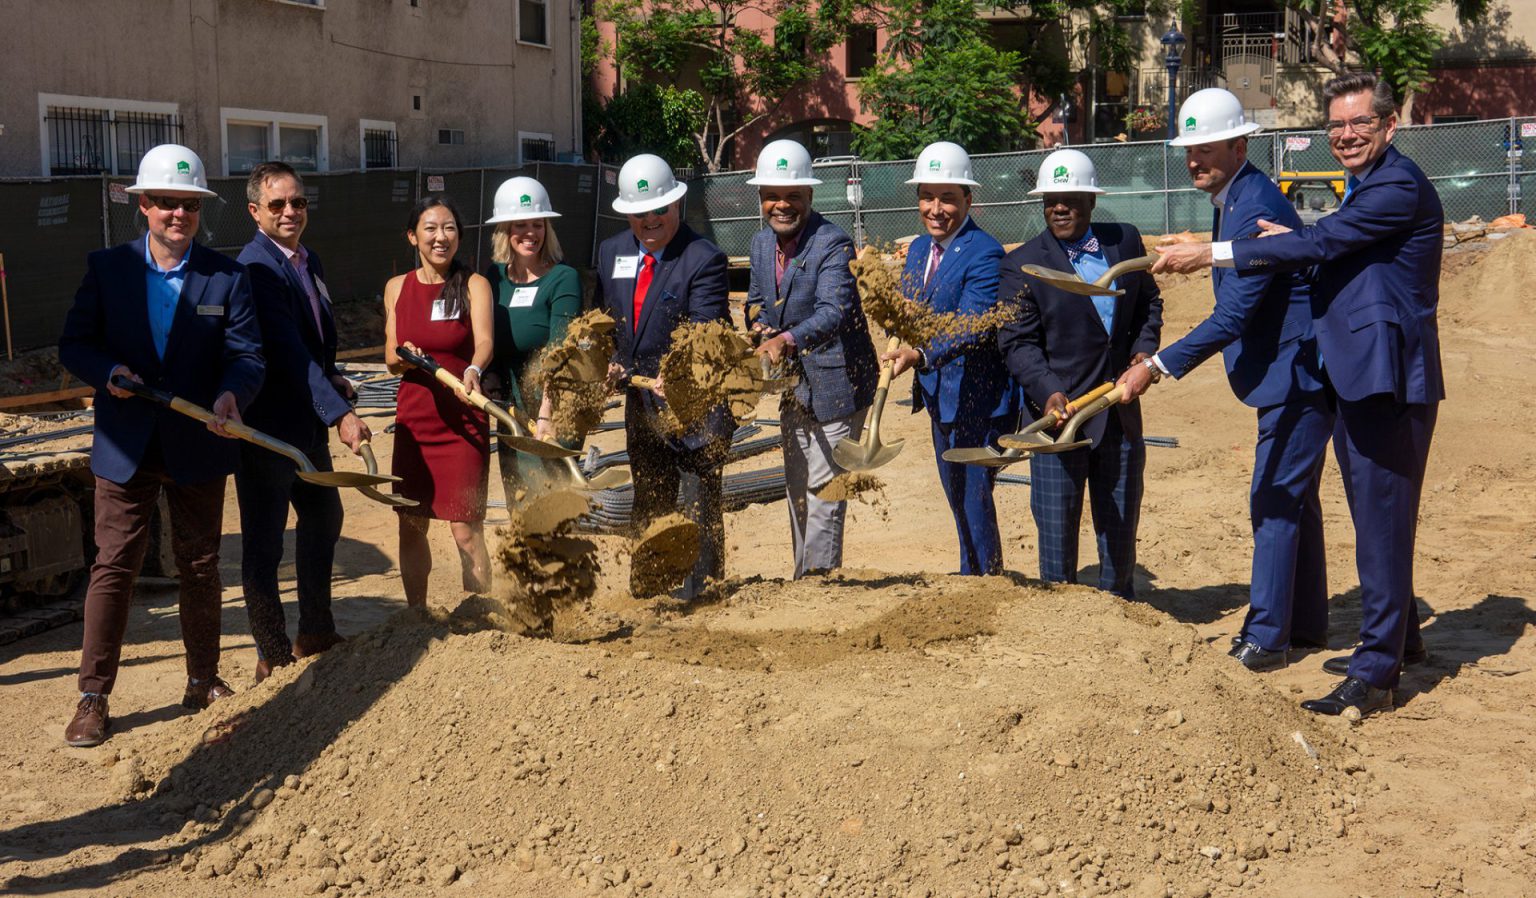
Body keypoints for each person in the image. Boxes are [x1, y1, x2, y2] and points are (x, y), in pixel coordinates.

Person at [1154, 73, 1443, 718]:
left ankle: (1374, 675)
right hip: (1355, 372)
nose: (1345, 136)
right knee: (1379, 521)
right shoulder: (1365, 185)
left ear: (1389, 126)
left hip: (1386, 375)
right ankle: (1402, 643)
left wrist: (1216, 253)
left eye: (1359, 124)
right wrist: (1290, 245)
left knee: (1380, 524)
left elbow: (1327, 242)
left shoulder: (1396, 184)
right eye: (1336, 125)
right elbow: (1326, 249)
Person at [1115, 89, 1332, 672]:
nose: (1194, 161)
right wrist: (1200, 247)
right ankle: (1306, 621)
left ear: (1239, 145)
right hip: (1290, 373)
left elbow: (1234, 316)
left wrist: (1154, 367)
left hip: (1298, 376)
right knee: (1296, 501)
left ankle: (1267, 636)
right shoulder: (1235, 195)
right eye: (1189, 150)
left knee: (1274, 501)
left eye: (1206, 148)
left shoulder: (1253, 199)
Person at [57, 144, 264, 747]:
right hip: (126, 445)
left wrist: (231, 396)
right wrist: (107, 371)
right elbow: (75, 344)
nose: (178, 214)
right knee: (114, 565)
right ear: (142, 205)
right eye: (166, 203)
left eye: (189, 205)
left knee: (199, 565)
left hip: (198, 441)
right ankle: (93, 696)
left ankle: (203, 679)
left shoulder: (227, 278)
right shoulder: (108, 269)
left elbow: (247, 356)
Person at [997, 148, 1163, 599]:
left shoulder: (1124, 242)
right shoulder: (1022, 264)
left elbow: (1149, 303)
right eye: (1051, 199)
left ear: (1092, 200)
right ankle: (1060, 628)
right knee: (1056, 543)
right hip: (1058, 422)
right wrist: (1049, 393)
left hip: (1120, 418)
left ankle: (1122, 618)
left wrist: (1145, 351)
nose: (1059, 207)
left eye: (1070, 198)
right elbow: (1017, 342)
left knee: (1119, 536)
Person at [235, 162, 368, 682]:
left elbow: (313, 344)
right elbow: (287, 352)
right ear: (255, 212)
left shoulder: (307, 261)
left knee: (323, 515)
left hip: (305, 424)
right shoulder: (257, 268)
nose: (290, 212)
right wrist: (341, 415)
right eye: (277, 205)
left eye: (298, 203)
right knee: (263, 543)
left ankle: (314, 628)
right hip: (267, 427)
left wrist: (332, 379)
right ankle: (272, 651)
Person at [595, 154, 731, 598]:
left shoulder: (703, 258)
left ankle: (702, 593)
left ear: (677, 204)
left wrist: (673, 377)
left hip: (693, 405)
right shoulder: (611, 252)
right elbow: (604, 322)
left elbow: (705, 333)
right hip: (641, 406)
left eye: (659, 210)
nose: (650, 220)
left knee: (696, 503)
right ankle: (650, 594)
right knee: (650, 498)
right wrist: (611, 359)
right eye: (640, 213)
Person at [743, 139, 879, 578]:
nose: (781, 205)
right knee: (796, 488)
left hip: (839, 382)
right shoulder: (761, 244)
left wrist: (785, 339)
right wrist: (758, 325)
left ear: (810, 197)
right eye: (772, 196)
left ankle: (821, 585)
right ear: (761, 197)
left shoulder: (833, 244)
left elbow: (833, 311)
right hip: (794, 388)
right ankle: (803, 579)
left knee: (824, 491)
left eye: (792, 196)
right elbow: (759, 300)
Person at [884, 141, 1016, 576]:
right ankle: (968, 574)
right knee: (954, 492)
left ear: (968, 200)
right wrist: (893, 321)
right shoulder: (920, 250)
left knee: (974, 495)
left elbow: (971, 323)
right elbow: (911, 306)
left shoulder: (985, 251)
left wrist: (920, 353)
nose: (936, 208)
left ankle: (987, 580)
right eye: (927, 196)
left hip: (976, 398)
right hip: (940, 394)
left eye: (947, 198)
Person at [383, 196, 495, 608]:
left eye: (449, 228)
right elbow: (391, 359)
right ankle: (416, 616)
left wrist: (474, 370)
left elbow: (484, 342)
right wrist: (405, 354)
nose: (440, 237)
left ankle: (483, 614)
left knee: (466, 528)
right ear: (413, 236)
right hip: (415, 422)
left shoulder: (473, 284)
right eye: (430, 228)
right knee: (411, 524)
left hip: (462, 419)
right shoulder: (397, 287)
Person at [481, 176, 582, 498]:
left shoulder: (563, 278)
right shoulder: (494, 278)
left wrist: (546, 416)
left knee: (550, 506)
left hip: (551, 405)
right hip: (511, 409)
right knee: (520, 504)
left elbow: (560, 351)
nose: (530, 233)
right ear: (505, 230)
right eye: (520, 224)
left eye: (538, 225)